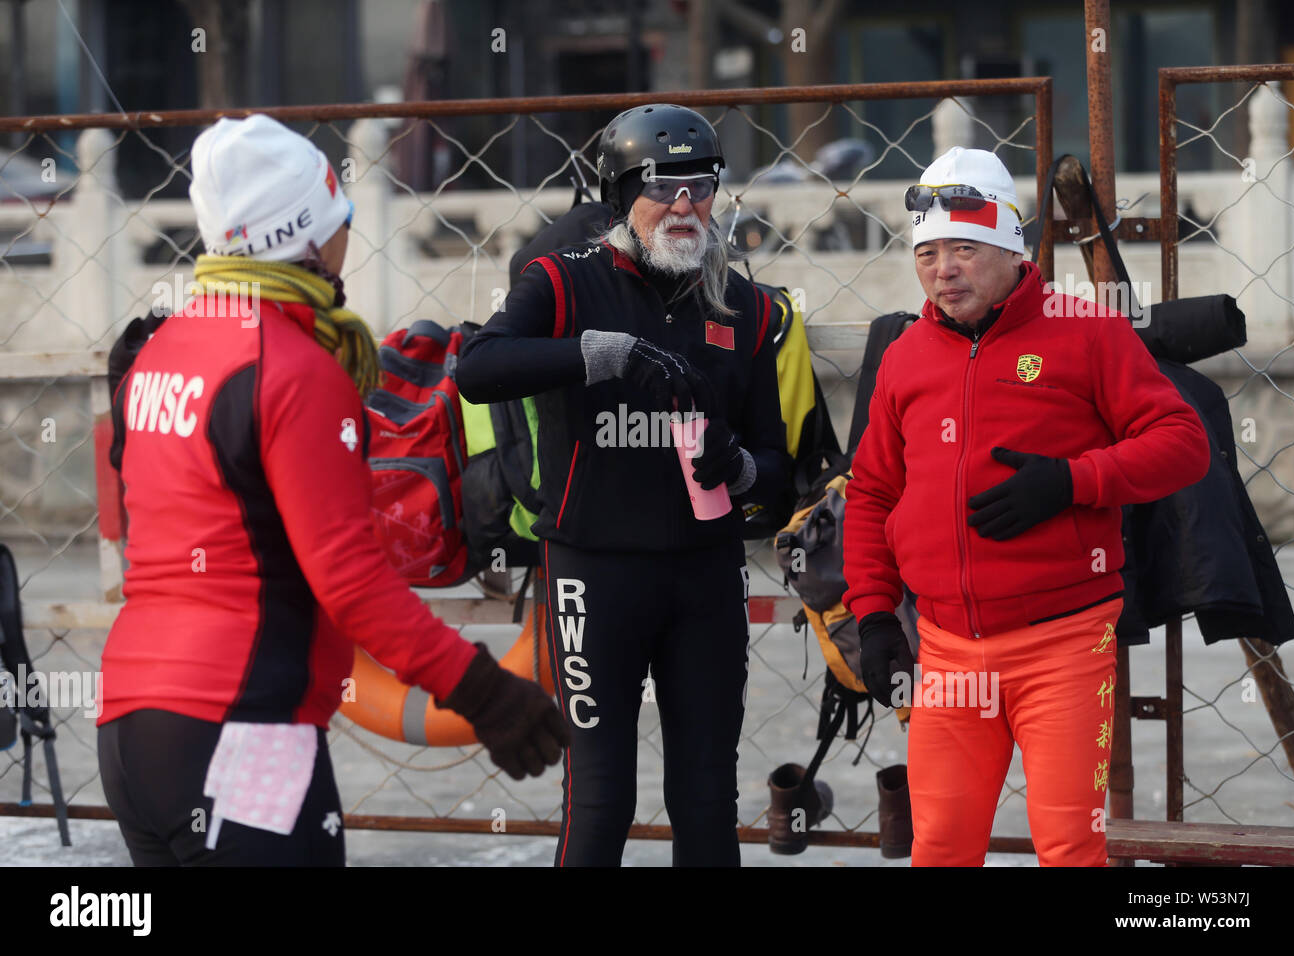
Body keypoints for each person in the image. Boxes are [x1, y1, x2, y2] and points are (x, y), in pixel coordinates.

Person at [97, 115, 567, 867]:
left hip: (131, 733)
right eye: (341, 217)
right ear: (312, 238)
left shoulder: (165, 349)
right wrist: (481, 690)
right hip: (244, 734)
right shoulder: (295, 369)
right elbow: (350, 581)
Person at [842, 147, 1210, 866]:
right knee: (940, 845)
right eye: (927, 253)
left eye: (964, 250)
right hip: (945, 647)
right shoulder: (906, 355)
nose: (943, 269)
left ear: (1011, 249)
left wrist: (1071, 481)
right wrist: (875, 612)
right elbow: (873, 493)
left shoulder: (1087, 331)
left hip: (1065, 643)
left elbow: (1183, 443)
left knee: (1070, 846)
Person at [456, 104, 791, 866]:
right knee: (603, 798)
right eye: (663, 188)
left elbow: (779, 464)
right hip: (593, 569)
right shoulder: (562, 280)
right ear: (618, 196)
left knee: (706, 798)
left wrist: (740, 469)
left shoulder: (745, 303)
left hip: (705, 575)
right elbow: (476, 370)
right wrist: (596, 354)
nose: (684, 207)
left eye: (700, 187)